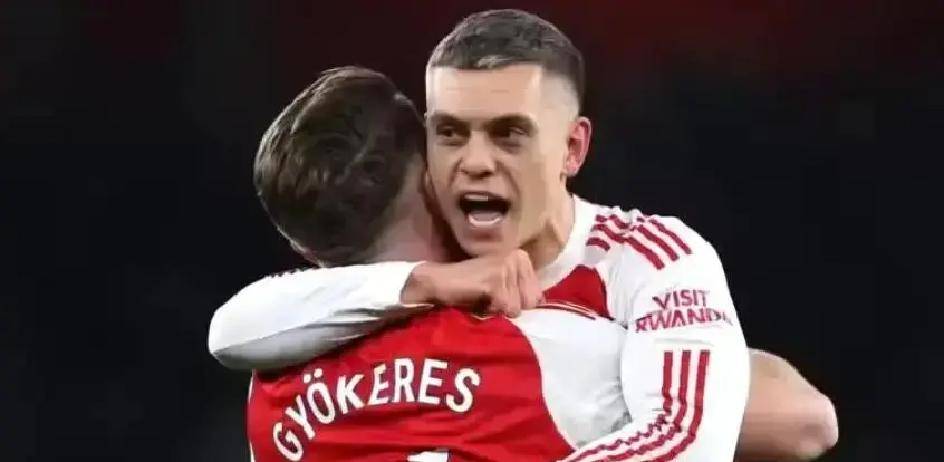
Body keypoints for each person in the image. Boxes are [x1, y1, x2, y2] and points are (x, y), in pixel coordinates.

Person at [211, 9, 837, 461]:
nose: (475, 162)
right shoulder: (506, 330)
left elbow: (234, 330)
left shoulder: (646, 260)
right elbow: (800, 418)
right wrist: (435, 282)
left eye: (508, 134)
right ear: (425, 157)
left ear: (572, 148)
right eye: (450, 133)